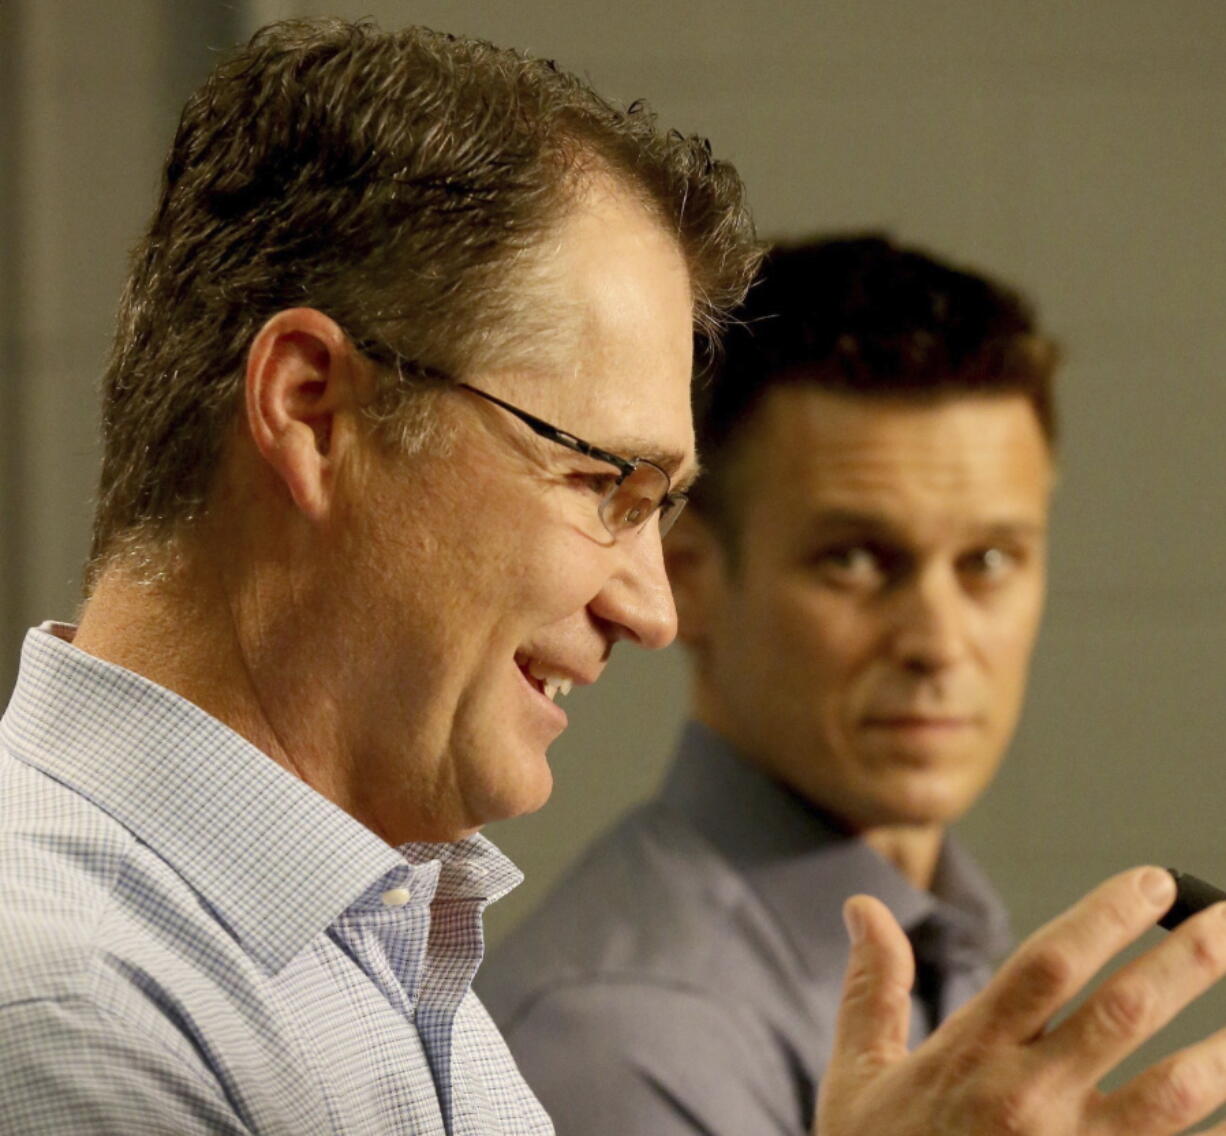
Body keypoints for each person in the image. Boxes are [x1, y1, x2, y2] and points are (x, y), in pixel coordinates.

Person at [3, 18, 1226, 1136]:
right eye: (605, 487)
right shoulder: (64, 1005)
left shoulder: (379, 935)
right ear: (315, 412)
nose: (649, 603)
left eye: (664, 505)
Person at [478, 236, 1225, 1135]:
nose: (938, 642)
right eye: (857, 559)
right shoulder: (622, 1042)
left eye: (989, 559)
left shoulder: (944, 932)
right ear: (689, 577)